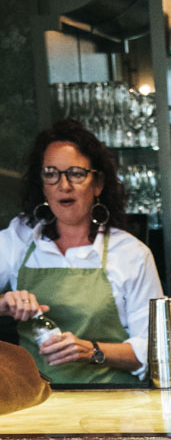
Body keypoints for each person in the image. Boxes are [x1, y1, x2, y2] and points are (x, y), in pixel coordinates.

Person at [0, 118, 162, 385]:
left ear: (98, 184)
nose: (63, 185)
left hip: (116, 409)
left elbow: (153, 349)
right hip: (37, 407)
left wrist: (91, 350)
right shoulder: (18, 240)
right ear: (42, 185)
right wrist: (4, 304)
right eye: (51, 173)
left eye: (75, 173)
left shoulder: (131, 253)